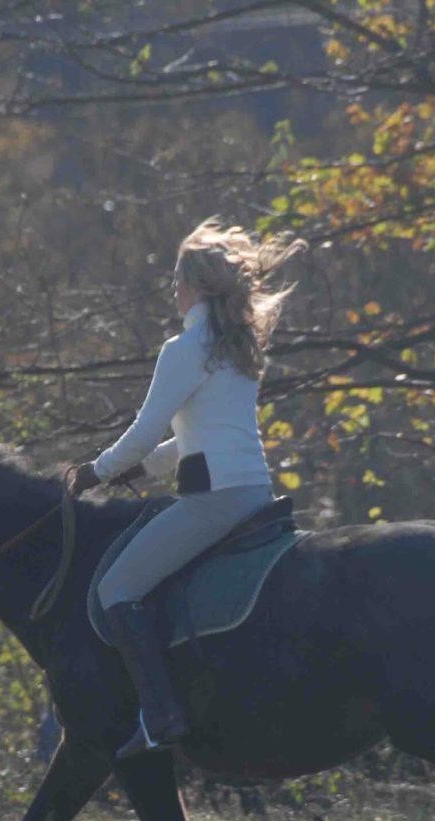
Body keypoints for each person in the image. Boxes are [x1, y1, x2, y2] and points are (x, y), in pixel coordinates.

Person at [71, 217, 307, 759]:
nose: (172, 291)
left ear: (195, 286)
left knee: (115, 591)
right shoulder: (236, 349)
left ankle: (160, 715)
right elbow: (187, 442)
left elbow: (146, 430)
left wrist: (95, 472)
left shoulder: (182, 349)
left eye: (176, 279)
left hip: (213, 503)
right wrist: (144, 470)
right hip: (253, 494)